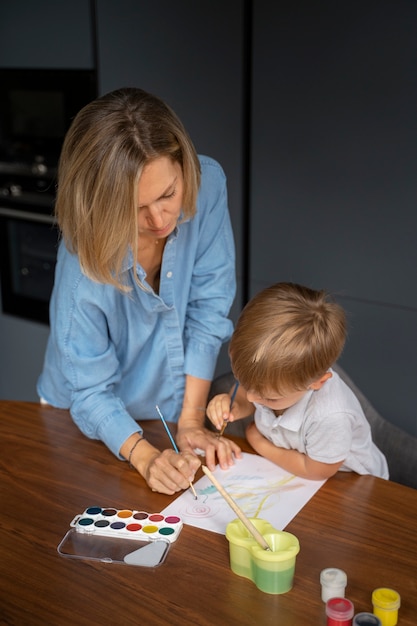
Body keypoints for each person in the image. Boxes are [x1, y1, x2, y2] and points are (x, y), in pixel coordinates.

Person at [37, 87, 241, 494]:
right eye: (136, 208)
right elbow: (90, 391)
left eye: (168, 194)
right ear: (104, 206)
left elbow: (208, 309)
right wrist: (146, 458)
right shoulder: (83, 260)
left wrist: (190, 420)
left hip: (171, 403)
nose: (161, 218)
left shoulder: (209, 184)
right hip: (86, 416)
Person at [206, 282, 388, 480]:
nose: (250, 397)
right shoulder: (273, 385)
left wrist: (258, 441)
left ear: (317, 382)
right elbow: (247, 397)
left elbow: (316, 470)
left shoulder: (331, 416)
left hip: (350, 482)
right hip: (292, 469)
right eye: (244, 382)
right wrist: (234, 406)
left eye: (270, 398)